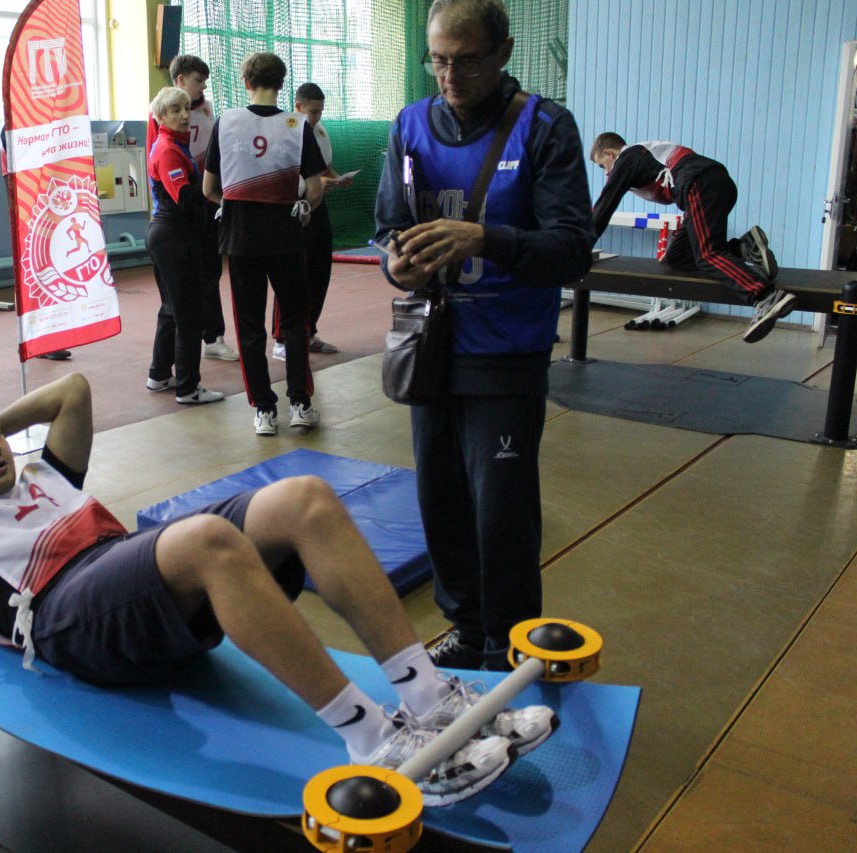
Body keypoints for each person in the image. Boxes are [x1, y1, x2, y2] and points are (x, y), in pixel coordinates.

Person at [0, 372, 558, 807]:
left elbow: (72, 390)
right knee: (206, 541)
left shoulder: (42, 475)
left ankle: (429, 696)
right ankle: (375, 741)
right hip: (67, 619)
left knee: (304, 498)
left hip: (131, 575)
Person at [373, 0, 595, 669]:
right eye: (438, 59)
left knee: (501, 514)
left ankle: (510, 642)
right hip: (433, 347)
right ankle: (467, 631)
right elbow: (387, 226)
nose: (449, 74)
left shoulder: (545, 127)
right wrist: (395, 260)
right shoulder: (410, 124)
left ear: (503, 52)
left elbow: (572, 250)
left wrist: (486, 238)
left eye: (465, 59)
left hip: (505, 356)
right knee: (439, 504)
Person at [204, 53, 325, 437]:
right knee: (293, 322)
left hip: (241, 241)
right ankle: (301, 404)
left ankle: (264, 411)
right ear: (282, 84)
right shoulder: (297, 125)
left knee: (250, 326)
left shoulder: (226, 122)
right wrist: (303, 205)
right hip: (287, 238)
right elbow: (317, 187)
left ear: (245, 82)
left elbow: (209, 189)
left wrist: (236, 203)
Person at [589, 132, 793, 343]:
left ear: (609, 153)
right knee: (677, 259)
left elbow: (604, 207)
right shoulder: (643, 153)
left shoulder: (627, 158)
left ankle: (765, 296)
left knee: (708, 255)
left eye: (602, 166)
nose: (606, 174)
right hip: (715, 183)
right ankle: (744, 248)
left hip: (699, 184)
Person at [147, 56, 239, 363]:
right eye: (198, 80)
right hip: (179, 214)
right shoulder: (160, 120)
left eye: (186, 109)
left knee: (211, 272)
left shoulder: (208, 110)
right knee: (179, 294)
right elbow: (157, 164)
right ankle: (176, 368)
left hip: (205, 204)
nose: (184, 115)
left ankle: (212, 336)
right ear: (182, 80)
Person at [144, 87, 224, 405]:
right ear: (161, 116)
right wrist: (218, 192)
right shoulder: (167, 150)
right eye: (175, 109)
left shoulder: (178, 145)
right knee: (188, 314)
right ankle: (189, 387)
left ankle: (159, 374)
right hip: (173, 238)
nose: (183, 115)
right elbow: (184, 196)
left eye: (186, 108)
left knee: (171, 310)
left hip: (171, 236)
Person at [272, 83, 352, 362]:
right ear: (298, 107)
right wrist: (318, 184)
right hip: (296, 209)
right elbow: (286, 175)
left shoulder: (318, 131)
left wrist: (337, 178)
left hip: (319, 207)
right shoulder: (286, 132)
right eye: (313, 111)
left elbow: (324, 169)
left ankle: (309, 331)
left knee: (320, 270)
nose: (317, 116)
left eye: (320, 111)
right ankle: (282, 339)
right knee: (293, 275)